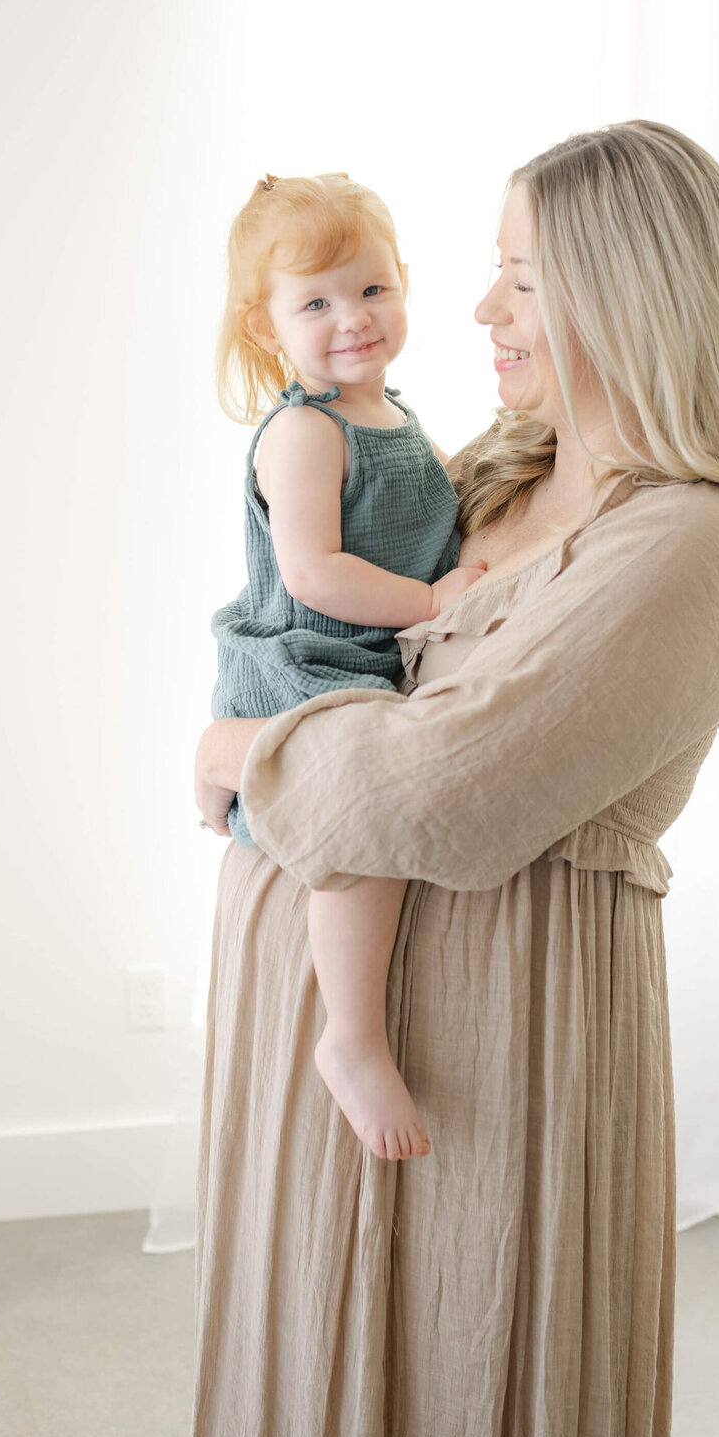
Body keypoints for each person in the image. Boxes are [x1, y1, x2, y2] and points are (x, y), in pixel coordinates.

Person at [184, 121, 719, 1437]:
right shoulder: (487, 473)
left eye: (520, 278)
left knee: (469, 1399)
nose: (476, 311)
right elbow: (321, 625)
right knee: (307, 1392)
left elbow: (433, 793)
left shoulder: (683, 542)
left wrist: (240, 750)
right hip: (324, 1003)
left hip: (502, 1036)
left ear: (627, 293)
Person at [208, 171, 487, 1160]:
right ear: (265, 327)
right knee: (361, 808)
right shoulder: (301, 432)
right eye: (315, 302)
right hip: (306, 659)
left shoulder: (401, 418)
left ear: (404, 284)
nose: (352, 318)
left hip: (368, 656)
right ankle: (353, 1038)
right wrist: (430, 603)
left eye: (372, 288)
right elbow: (315, 571)